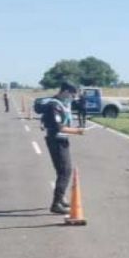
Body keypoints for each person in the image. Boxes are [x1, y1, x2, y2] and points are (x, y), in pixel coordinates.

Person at [40, 82, 85, 214]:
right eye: (72, 94)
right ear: (65, 92)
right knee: (65, 171)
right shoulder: (55, 105)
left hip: (61, 139)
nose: (73, 97)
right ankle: (56, 204)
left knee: (62, 171)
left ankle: (60, 200)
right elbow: (59, 127)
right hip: (56, 140)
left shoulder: (60, 104)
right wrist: (77, 131)